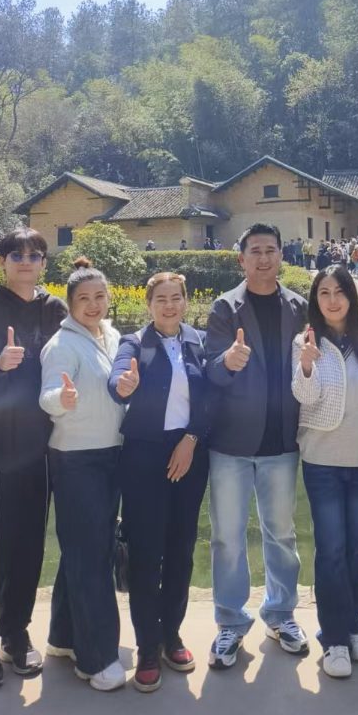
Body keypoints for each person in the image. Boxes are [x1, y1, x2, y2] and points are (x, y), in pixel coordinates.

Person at [0, 229, 67, 688]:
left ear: (44, 262)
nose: (26, 261)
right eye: (16, 254)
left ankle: (15, 633)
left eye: (34, 254)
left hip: (40, 450)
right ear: (2, 262)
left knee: (29, 549)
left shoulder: (56, 310)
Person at [204, 223, 309, 669]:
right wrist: (227, 362)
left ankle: (280, 614)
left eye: (270, 250)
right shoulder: (224, 308)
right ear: (241, 258)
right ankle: (230, 621)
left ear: (281, 255)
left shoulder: (299, 307)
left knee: (281, 533)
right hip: (231, 441)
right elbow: (208, 369)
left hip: (281, 439)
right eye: (255, 251)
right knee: (227, 537)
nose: (263, 258)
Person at [293, 266, 358, 678]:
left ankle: (355, 627)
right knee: (331, 549)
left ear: (351, 297)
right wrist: (306, 367)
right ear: (315, 300)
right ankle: (333, 638)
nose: (333, 300)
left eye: (340, 291)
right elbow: (305, 398)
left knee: (357, 547)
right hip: (322, 461)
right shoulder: (305, 341)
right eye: (324, 292)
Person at [108, 272, 212, 692]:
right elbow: (118, 378)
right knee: (146, 554)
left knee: (181, 550)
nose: (169, 306)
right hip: (144, 459)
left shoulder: (200, 342)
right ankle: (147, 647)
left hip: (190, 453)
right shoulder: (134, 343)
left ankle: (172, 635)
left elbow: (212, 398)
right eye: (161, 299)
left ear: (185, 301)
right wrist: (123, 385)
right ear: (148, 304)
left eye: (176, 298)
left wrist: (191, 440)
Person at [39, 260, 125, 691]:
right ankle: (96, 658)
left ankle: (64, 636)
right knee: (90, 555)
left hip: (110, 453)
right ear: (70, 304)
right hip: (76, 460)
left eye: (99, 296)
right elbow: (48, 396)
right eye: (84, 299)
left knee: (87, 549)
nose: (93, 305)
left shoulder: (112, 336)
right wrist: (63, 399)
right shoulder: (61, 345)